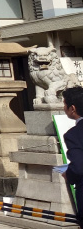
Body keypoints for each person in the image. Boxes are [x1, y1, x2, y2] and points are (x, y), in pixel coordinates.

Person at [62, 86, 83, 226]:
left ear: (72, 108)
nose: (64, 108)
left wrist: (68, 174)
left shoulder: (74, 134)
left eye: (64, 104)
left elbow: (79, 167)